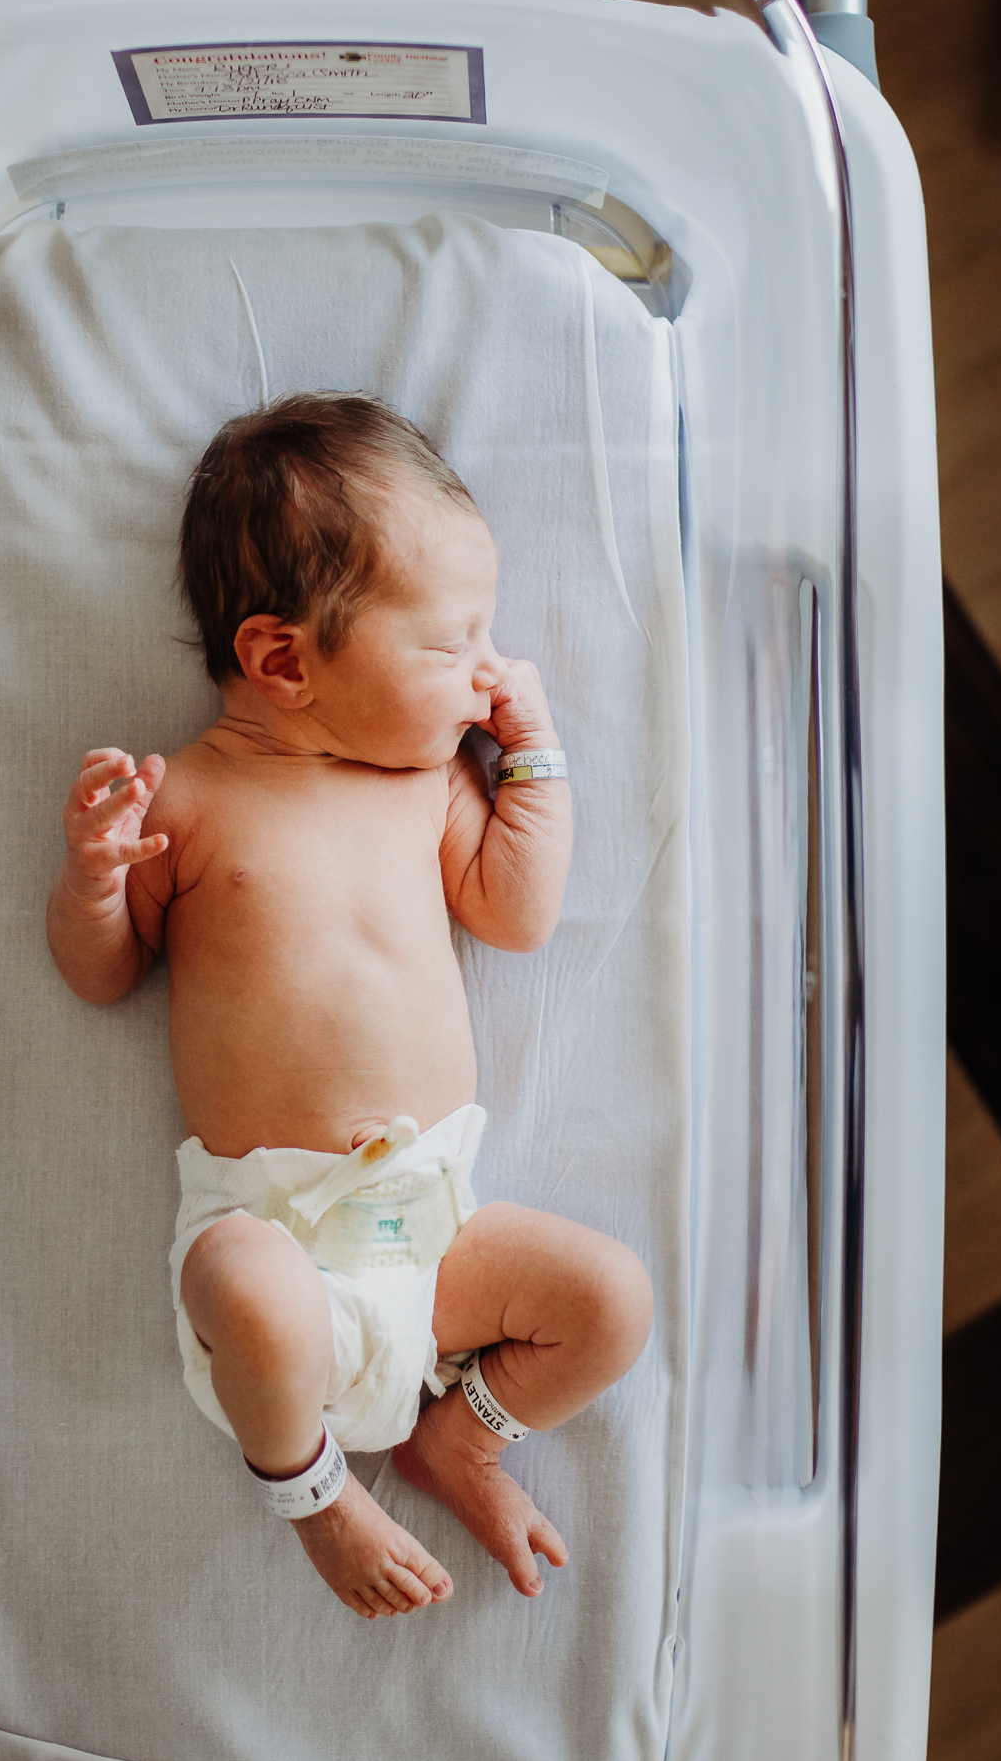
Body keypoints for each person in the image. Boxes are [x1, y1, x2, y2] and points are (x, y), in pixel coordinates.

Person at [47, 392, 652, 1620]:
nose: (486, 668)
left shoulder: (427, 780)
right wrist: (97, 880)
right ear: (283, 660)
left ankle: (462, 1439)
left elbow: (516, 910)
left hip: (437, 1240)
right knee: (254, 1297)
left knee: (609, 1299)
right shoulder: (191, 801)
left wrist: (529, 752)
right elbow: (101, 971)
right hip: (274, 1234)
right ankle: (314, 1494)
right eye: (448, 643)